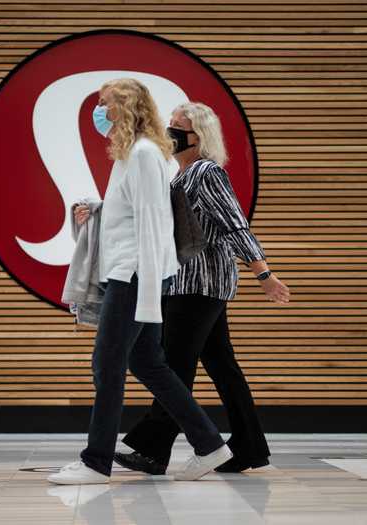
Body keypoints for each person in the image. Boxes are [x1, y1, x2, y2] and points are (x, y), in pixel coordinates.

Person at [48, 79, 232, 485]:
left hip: (133, 278)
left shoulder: (146, 154)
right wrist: (97, 209)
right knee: (147, 363)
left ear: (125, 108)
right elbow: (134, 212)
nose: (98, 111)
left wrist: (148, 301)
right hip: (128, 274)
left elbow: (153, 228)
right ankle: (209, 443)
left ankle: (96, 461)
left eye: (105, 104)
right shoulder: (131, 154)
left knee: (107, 365)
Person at [113, 102, 289, 476]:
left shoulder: (207, 173)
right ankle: (249, 448)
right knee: (223, 368)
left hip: (200, 286)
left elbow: (235, 224)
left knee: (173, 365)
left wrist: (264, 274)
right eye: (170, 124)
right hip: (187, 284)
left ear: (199, 136)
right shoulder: (180, 176)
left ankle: (152, 449)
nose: (171, 132)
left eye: (179, 127)